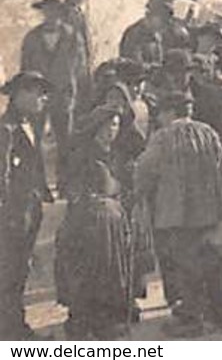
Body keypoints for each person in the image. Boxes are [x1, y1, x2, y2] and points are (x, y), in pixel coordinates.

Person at [134, 91, 222, 337]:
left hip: (177, 213)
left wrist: (139, 194)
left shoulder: (163, 137)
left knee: (186, 265)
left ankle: (192, 316)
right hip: (211, 210)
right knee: (214, 263)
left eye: (160, 113)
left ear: (170, 112)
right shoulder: (208, 132)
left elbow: (146, 170)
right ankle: (221, 312)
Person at [54, 107, 136, 340]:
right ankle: (82, 321)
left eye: (116, 125)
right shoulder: (84, 154)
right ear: (97, 127)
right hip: (88, 223)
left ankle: (103, 320)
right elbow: (72, 188)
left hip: (111, 224)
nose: (112, 130)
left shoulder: (115, 153)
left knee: (109, 271)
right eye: (108, 125)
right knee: (89, 271)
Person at [0, 72, 51, 339]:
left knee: (20, 270)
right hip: (13, 214)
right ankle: (12, 332)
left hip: (29, 209)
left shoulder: (30, 123)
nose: (44, 98)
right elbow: (2, 176)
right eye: (38, 92)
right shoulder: (6, 130)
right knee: (11, 272)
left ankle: (15, 327)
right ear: (20, 95)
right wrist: (8, 215)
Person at [20, 0, 87, 189]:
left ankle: (65, 183)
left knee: (65, 141)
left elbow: (80, 69)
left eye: (55, 12)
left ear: (60, 14)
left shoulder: (73, 37)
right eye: (47, 12)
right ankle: (39, 186)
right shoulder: (32, 38)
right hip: (37, 96)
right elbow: (24, 68)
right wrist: (27, 95)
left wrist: (74, 93)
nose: (51, 16)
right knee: (35, 140)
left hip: (63, 96)